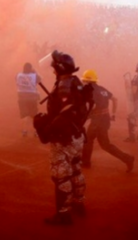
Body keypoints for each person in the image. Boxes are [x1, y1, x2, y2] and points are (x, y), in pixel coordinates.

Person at [33, 50, 93, 225]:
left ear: (59, 68)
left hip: (64, 137)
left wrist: (44, 129)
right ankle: (79, 204)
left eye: (54, 67)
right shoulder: (76, 82)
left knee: (61, 175)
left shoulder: (64, 85)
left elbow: (64, 116)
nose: (52, 70)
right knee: (76, 170)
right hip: (77, 135)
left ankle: (63, 214)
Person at [80, 69, 135, 173]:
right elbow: (115, 99)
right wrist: (113, 113)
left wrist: (85, 117)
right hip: (105, 119)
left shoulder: (89, 91)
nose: (83, 83)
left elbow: (92, 107)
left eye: (84, 81)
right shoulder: (102, 89)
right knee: (105, 145)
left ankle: (86, 162)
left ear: (87, 81)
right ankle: (128, 159)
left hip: (97, 121)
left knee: (88, 140)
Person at [16, 62, 41, 137]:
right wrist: (35, 71)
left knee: (25, 115)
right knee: (34, 115)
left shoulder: (18, 75)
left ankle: (24, 131)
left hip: (21, 97)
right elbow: (40, 79)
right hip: (32, 97)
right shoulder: (34, 76)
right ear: (30, 69)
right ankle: (36, 132)